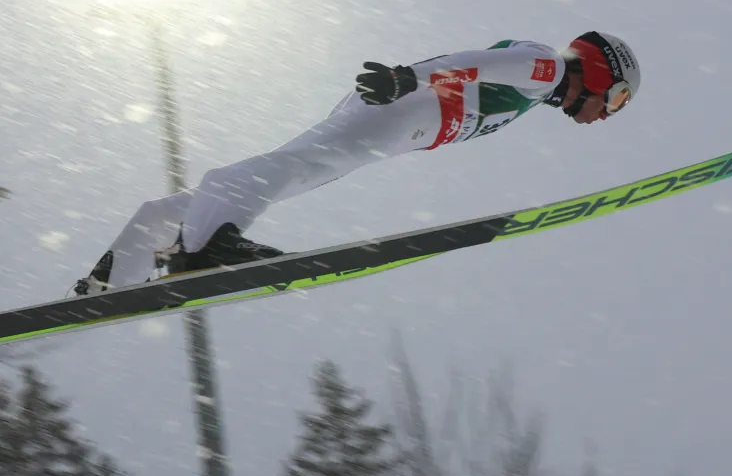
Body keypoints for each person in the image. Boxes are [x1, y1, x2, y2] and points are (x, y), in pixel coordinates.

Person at [73, 30, 641, 294]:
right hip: (411, 108)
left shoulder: (541, 85)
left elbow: (477, 66)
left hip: (406, 118)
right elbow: (469, 63)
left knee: (294, 170)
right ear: (597, 72)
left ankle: (120, 270)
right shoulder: (547, 66)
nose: (605, 114)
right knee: (300, 168)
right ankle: (203, 246)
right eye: (615, 99)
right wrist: (407, 78)